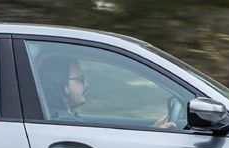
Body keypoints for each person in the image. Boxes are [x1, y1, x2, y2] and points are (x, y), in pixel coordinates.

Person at [36, 53, 178, 129]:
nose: (86, 85)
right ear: (62, 86)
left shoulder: (63, 118)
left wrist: (152, 130)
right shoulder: (65, 125)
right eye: (80, 79)